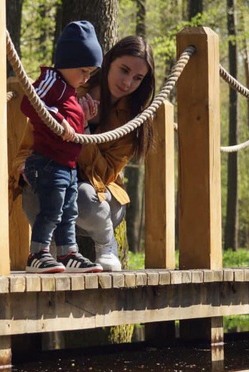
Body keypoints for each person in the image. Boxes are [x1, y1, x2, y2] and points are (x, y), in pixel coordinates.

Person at [11, 36, 156, 272]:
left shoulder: (135, 119)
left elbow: (104, 173)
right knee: (34, 192)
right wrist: (22, 167)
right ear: (109, 63)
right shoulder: (69, 89)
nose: (128, 82)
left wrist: (82, 130)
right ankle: (55, 254)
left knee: (82, 194)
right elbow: (29, 143)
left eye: (138, 78)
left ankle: (106, 243)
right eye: (124, 70)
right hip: (57, 182)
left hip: (100, 197)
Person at [18, 21, 104, 274]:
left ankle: (68, 252)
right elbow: (30, 104)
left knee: (69, 211)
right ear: (66, 62)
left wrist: (83, 119)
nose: (86, 78)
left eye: (90, 73)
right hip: (47, 162)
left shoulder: (69, 90)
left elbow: (69, 129)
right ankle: (38, 253)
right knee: (53, 209)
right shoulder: (51, 80)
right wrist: (60, 120)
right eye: (83, 70)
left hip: (67, 166)